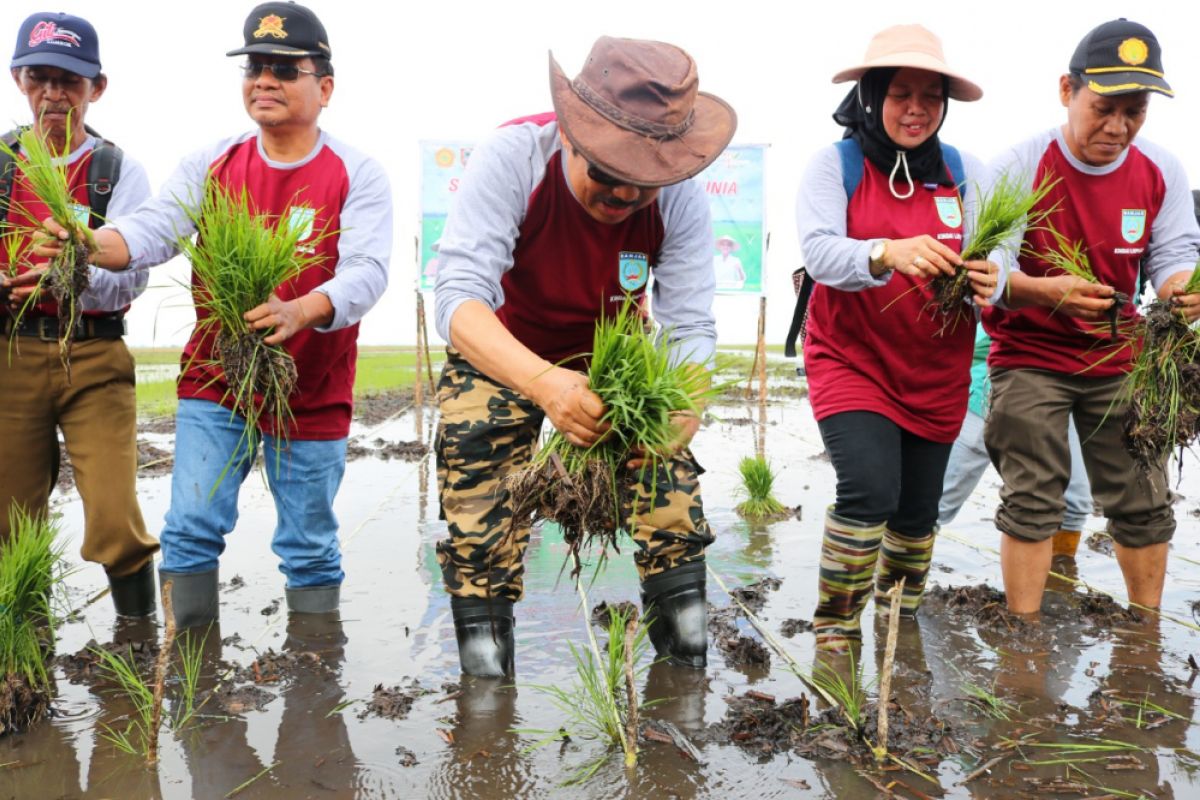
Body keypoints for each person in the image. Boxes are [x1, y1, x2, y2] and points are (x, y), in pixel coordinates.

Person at [37, 1, 392, 627]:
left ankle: (312, 680)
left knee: (308, 546)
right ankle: (191, 683)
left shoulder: (355, 173)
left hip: (309, 386)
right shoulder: (214, 162)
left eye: (285, 68)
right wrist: (84, 240)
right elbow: (151, 231)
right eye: (255, 66)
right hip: (218, 380)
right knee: (191, 528)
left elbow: (366, 272)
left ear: (325, 87)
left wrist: (301, 310)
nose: (265, 80)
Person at [433, 36, 735, 677]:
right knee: (478, 513)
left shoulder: (678, 194)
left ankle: (685, 669)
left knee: (671, 497)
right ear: (571, 134)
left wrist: (686, 404)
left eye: (643, 185)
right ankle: (486, 693)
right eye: (609, 173)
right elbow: (459, 300)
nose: (625, 197)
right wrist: (544, 383)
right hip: (506, 348)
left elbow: (690, 324)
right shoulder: (514, 157)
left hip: (615, 359)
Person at [983, 18, 1200, 617]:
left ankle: (1146, 634)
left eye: (1135, 111)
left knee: (1144, 499)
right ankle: (1024, 639)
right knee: (1033, 498)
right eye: (1105, 107)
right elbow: (991, 273)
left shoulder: (1161, 170)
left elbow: (1174, 255)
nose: (1118, 127)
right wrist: (1047, 292)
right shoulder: (1020, 164)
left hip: (1120, 357)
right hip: (1030, 357)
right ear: (1066, 90)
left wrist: (1182, 290)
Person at [795, 24, 999, 652]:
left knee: (916, 513)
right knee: (869, 491)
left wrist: (993, 277)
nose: (917, 109)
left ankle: (898, 627)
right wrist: (887, 251)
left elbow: (1004, 258)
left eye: (931, 97)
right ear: (873, 95)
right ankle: (835, 632)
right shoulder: (837, 165)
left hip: (936, 368)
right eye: (901, 93)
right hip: (851, 358)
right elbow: (821, 251)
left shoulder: (966, 174)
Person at [0, 12, 159, 618]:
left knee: (116, 515)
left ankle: (139, 643)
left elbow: (134, 273)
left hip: (93, 354)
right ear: (19, 78)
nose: (54, 94)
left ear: (97, 87)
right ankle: (24, 652)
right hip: (11, 353)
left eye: (70, 80)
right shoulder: (3, 165)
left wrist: (70, 278)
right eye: (40, 77)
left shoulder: (114, 172)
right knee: (11, 519)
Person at [938, 327, 1094, 570]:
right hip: (992, 388)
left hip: (1075, 392)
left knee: (1075, 503)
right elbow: (982, 326)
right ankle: (890, 583)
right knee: (937, 502)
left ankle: (1056, 588)